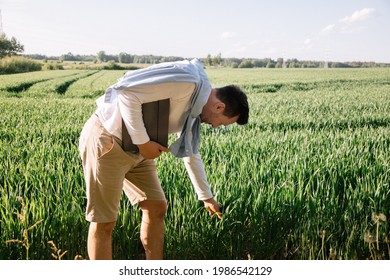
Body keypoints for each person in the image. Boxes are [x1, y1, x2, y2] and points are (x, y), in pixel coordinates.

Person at [78, 58, 249, 260]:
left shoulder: (196, 107)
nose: (214, 126)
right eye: (221, 123)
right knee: (104, 221)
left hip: (139, 149)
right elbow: (127, 93)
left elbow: (191, 152)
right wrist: (143, 144)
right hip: (109, 141)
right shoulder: (188, 81)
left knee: (157, 207)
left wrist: (206, 196)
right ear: (219, 107)